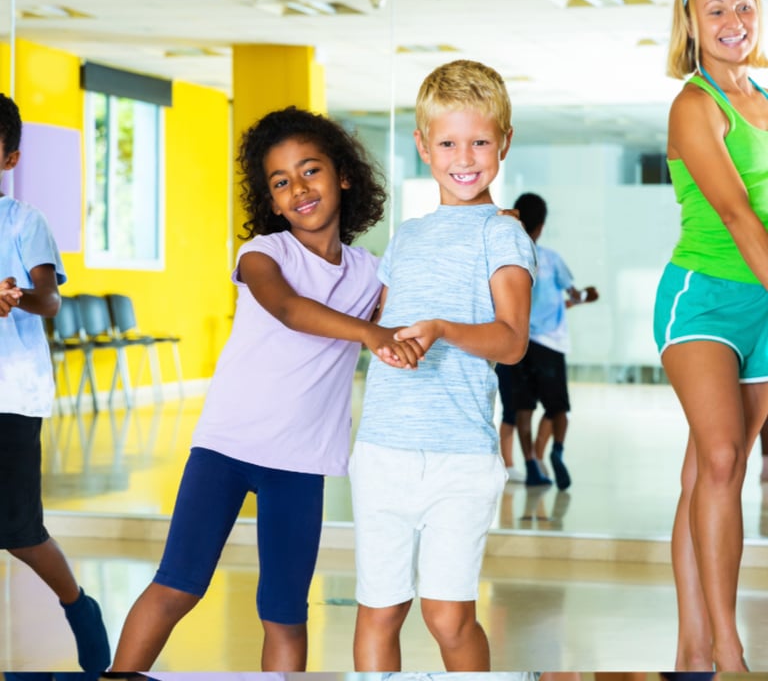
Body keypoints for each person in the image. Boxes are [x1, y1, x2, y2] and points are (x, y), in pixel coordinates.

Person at [110, 107, 423, 672]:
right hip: (226, 447)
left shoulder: (370, 273)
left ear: (343, 175)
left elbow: (418, 308)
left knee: (284, 613)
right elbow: (287, 308)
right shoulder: (263, 253)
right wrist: (370, 333)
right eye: (282, 182)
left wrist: (474, 225)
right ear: (272, 202)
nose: (299, 189)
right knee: (178, 585)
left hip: (300, 462)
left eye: (310, 171)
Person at [348, 59, 537, 671]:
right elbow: (376, 323)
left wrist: (441, 330)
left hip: (458, 458)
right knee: (378, 610)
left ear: (503, 142)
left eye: (480, 141)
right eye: (449, 141)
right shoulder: (405, 236)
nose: (465, 156)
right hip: (381, 450)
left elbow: (512, 342)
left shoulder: (504, 235)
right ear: (422, 145)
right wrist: (384, 340)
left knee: (446, 616)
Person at [653, 0, 768, 672]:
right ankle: (728, 646)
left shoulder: (766, 97)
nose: (734, 21)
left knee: (710, 471)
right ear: (691, 23)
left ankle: (691, 646)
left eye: (745, 6)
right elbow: (734, 214)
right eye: (716, 9)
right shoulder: (694, 105)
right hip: (703, 298)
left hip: (764, 297)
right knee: (721, 455)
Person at [0, 93, 111, 673]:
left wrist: (15, 296)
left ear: (10, 159)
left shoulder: (24, 221)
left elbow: (50, 299)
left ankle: (78, 607)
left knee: (17, 529)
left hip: (10, 396)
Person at [495, 193, 598, 491]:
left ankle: (530, 464)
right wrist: (585, 297)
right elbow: (573, 295)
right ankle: (552, 453)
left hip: (517, 344)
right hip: (550, 346)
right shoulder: (550, 259)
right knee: (557, 409)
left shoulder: (507, 260)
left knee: (521, 409)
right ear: (540, 226)